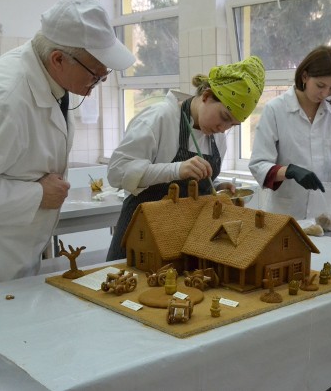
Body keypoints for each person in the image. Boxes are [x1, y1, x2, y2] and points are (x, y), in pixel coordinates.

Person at [0, 0, 135, 296]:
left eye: (104, 77)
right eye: (95, 76)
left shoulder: (53, 82)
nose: (95, 87)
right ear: (59, 59)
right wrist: (37, 194)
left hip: (14, 256)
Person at [106, 56, 265, 261]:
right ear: (207, 96)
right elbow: (117, 172)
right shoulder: (160, 118)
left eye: (232, 125)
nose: (222, 129)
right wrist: (176, 169)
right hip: (143, 233)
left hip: (186, 238)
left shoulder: (217, 137)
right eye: (224, 117)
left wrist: (212, 185)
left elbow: (187, 185)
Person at [248, 45, 331, 220]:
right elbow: (259, 164)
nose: (325, 93)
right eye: (320, 85)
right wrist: (289, 171)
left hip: (325, 213)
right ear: (304, 76)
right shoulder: (276, 110)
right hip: (285, 215)